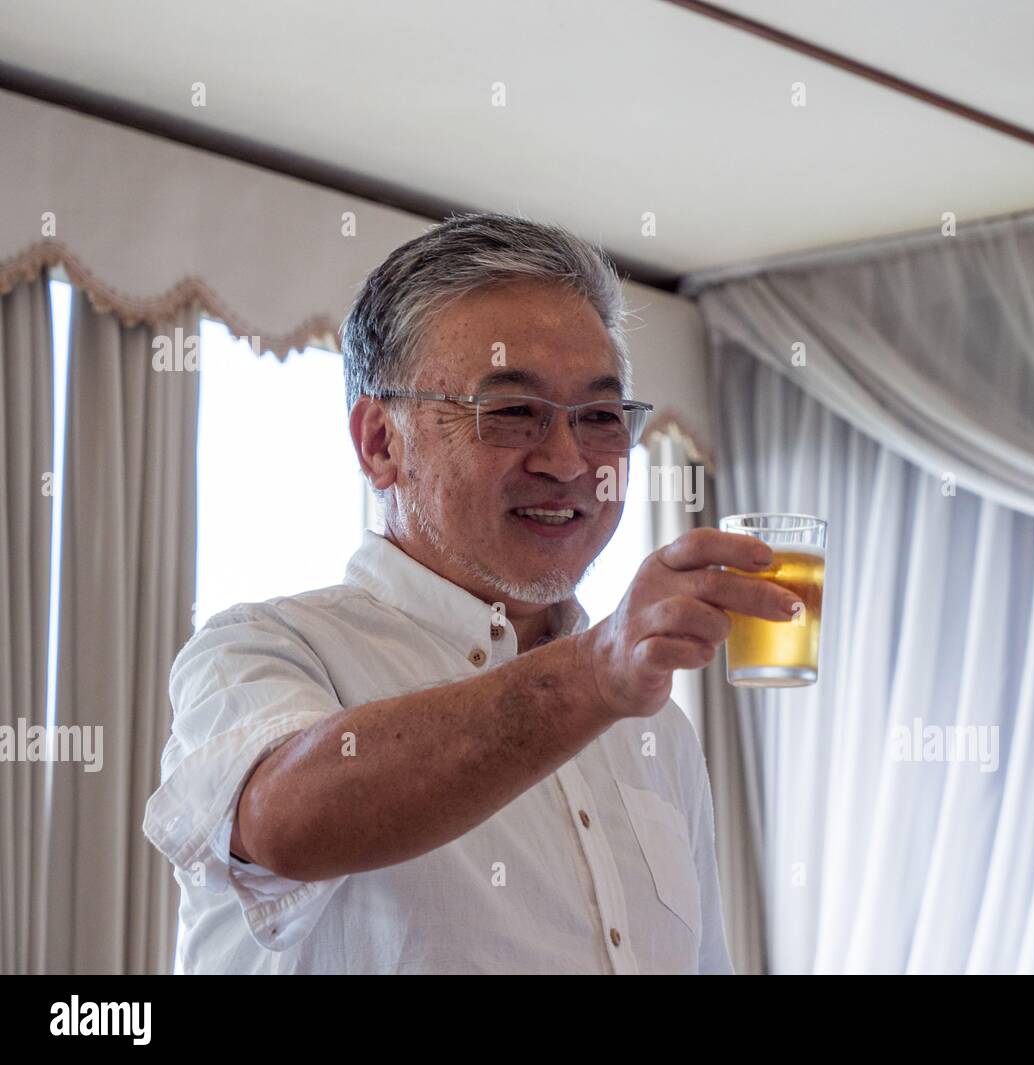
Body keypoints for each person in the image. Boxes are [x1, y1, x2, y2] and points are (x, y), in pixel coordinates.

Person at [142, 211, 798, 973]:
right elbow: (287, 823)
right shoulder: (261, 649)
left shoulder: (659, 731)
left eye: (598, 416)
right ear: (380, 443)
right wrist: (595, 673)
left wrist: (605, 676)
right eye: (513, 411)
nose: (565, 460)